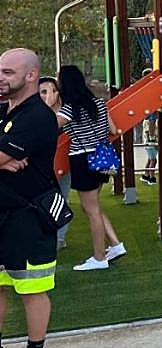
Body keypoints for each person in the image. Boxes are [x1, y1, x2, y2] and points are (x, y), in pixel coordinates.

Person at [0, 49, 59, 348]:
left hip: (29, 216)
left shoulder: (37, 116)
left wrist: (4, 157)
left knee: (31, 288)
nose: (1, 78)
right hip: (2, 213)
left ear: (32, 75)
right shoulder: (4, 110)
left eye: (8, 72)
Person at [57, 65, 125, 271]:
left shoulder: (69, 108)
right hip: (102, 158)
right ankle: (115, 245)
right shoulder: (99, 104)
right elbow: (114, 129)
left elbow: (49, 125)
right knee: (92, 207)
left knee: (92, 210)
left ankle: (99, 257)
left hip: (82, 160)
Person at [38, 76, 72, 249]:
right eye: (43, 92)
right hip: (41, 166)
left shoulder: (65, 113)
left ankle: (59, 237)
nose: (48, 95)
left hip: (62, 164)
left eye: (52, 91)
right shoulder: (34, 113)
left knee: (62, 197)